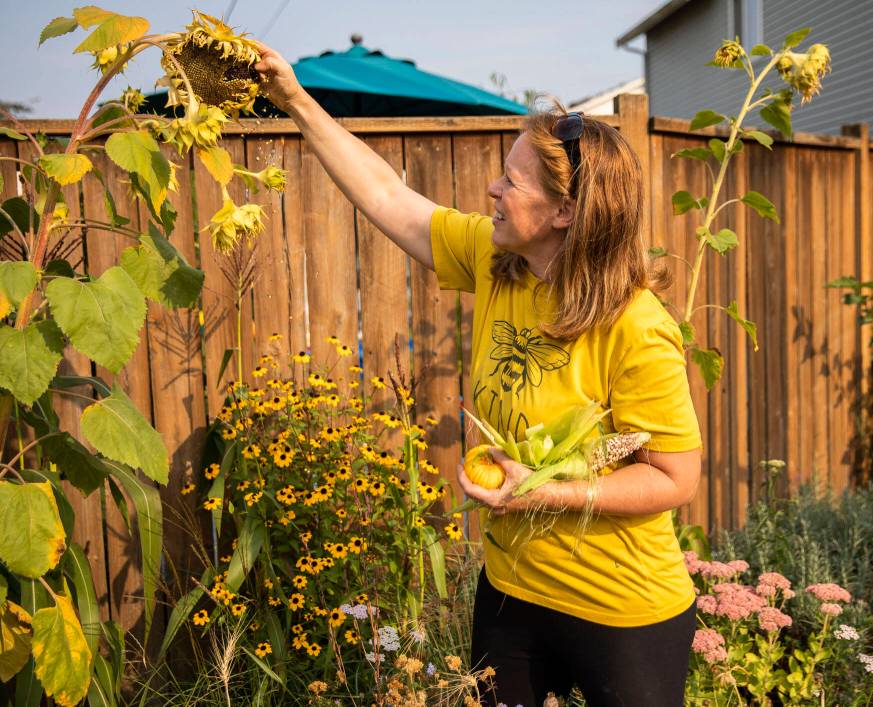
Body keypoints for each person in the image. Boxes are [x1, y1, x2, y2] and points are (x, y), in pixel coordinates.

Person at [253, 40, 703, 707]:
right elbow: (385, 195)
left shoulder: (636, 325)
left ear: (565, 212)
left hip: (624, 608)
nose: (491, 189)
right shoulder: (499, 263)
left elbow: (676, 477)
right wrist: (293, 99)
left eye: (511, 182)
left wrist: (543, 494)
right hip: (512, 597)